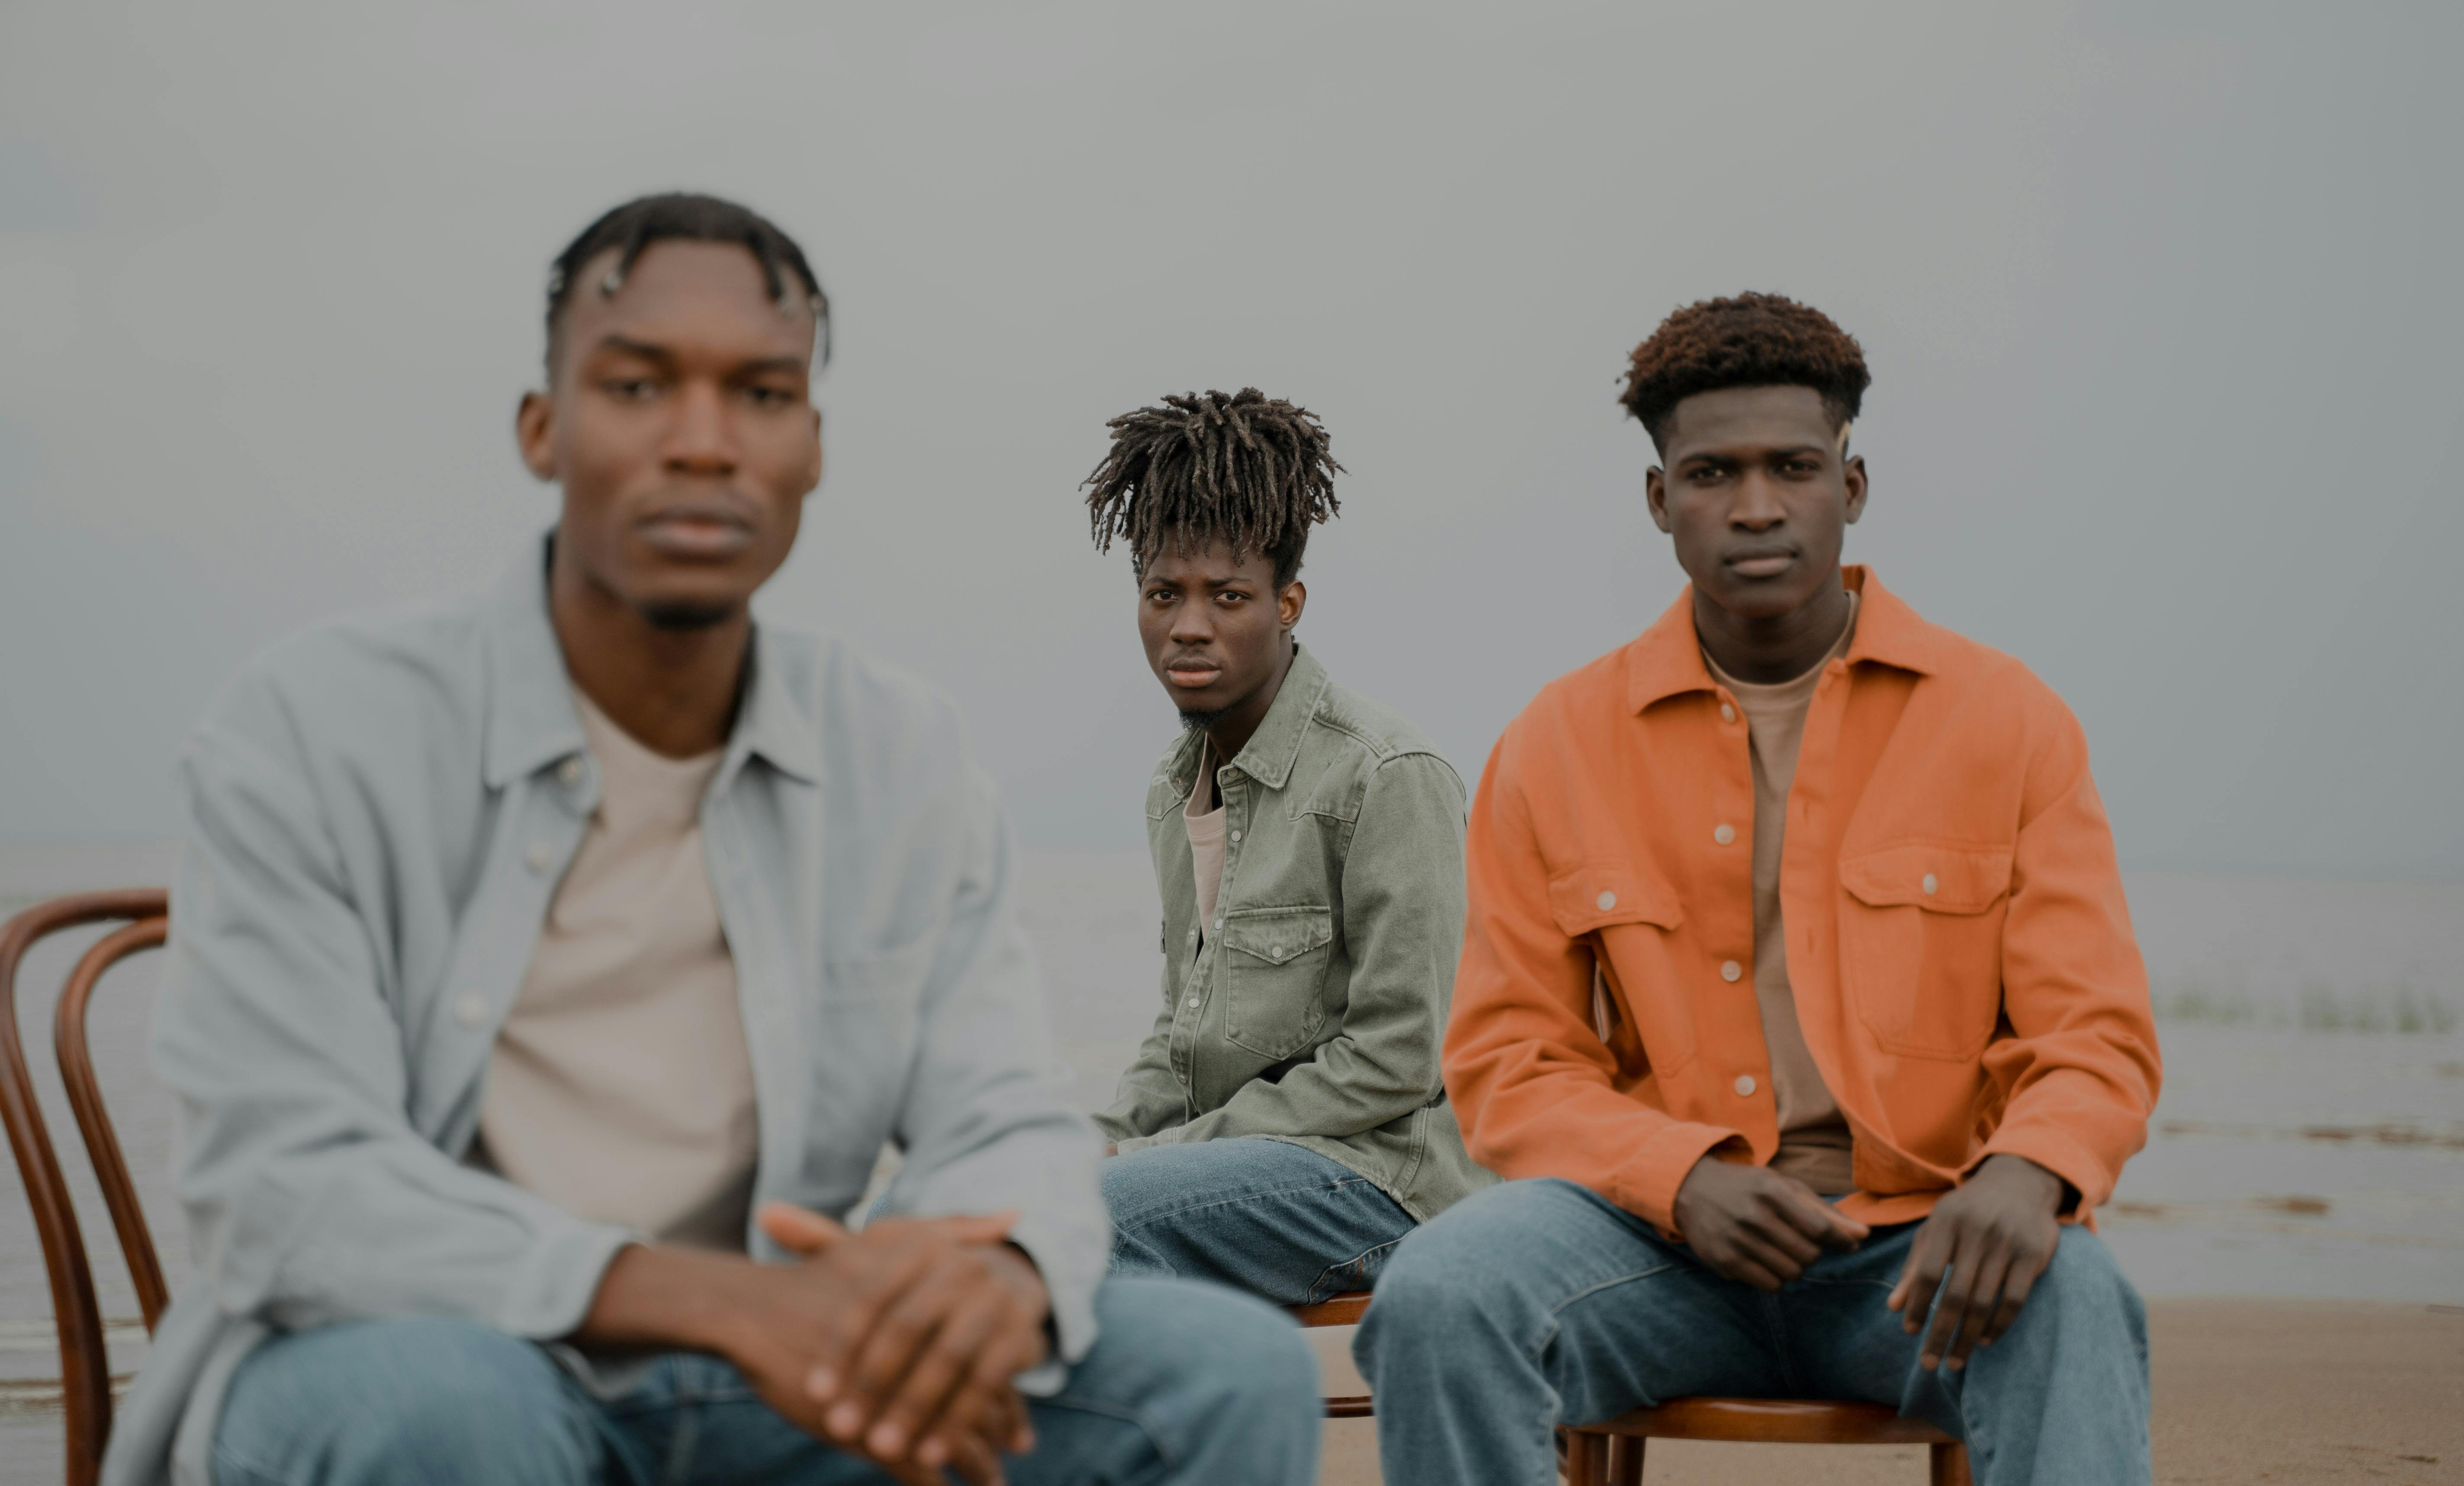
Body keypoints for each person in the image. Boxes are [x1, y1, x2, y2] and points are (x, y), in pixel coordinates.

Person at [103, 195, 1320, 1486]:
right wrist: (727, 1301)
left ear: (810, 445)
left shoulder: (894, 749)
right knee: (453, 1411)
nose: (700, 441)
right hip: (421, 1349)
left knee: (1217, 1371)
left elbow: (1001, 1117)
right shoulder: (319, 725)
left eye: (758, 392)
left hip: (766, 1380)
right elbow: (282, 1189)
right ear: (542, 428)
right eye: (636, 385)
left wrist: (996, 1266)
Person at [1356, 293, 2164, 1485]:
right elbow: (1507, 1060)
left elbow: (2091, 1031)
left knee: (2076, 1291)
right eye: (1709, 472)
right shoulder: (1556, 741)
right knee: (1438, 1289)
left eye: (1791, 466)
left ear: (1851, 483)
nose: (1752, 506)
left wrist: (2024, 1169)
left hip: (1914, 1256)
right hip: (1651, 1259)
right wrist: (1674, 1178)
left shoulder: (2006, 722)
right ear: (1657, 500)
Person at [1081, 389, 1491, 1306]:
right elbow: (1181, 1034)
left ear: (1287, 602)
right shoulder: (1171, 789)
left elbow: (1401, 1058)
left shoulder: (1387, 774)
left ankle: (1175, 1435)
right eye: (1163, 593)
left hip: (1389, 1183)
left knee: (1086, 1221)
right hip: (1242, 1172)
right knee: (994, 1207)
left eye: (1228, 596)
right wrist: (1091, 1135)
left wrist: (1146, 1157)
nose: (1190, 624)